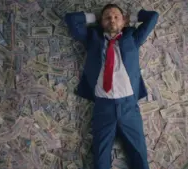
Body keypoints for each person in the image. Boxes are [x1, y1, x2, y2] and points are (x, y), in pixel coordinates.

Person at [64, 4, 158, 169]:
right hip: (103, 107)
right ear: (101, 22)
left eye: (116, 17)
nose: (112, 20)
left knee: (139, 156)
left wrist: (132, 17)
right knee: (100, 159)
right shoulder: (92, 38)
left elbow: (153, 17)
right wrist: (94, 17)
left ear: (123, 22)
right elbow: (71, 19)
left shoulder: (133, 38)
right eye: (107, 17)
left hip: (129, 107)